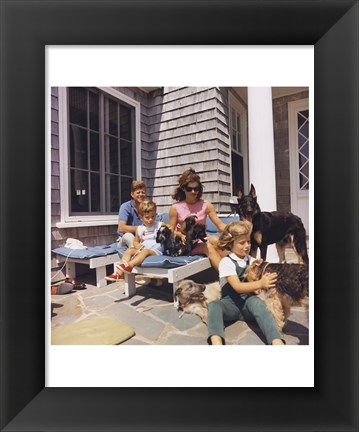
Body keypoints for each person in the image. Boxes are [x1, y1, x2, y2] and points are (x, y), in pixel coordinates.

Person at [207, 220, 285, 345]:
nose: (247, 246)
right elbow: (237, 287)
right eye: (242, 243)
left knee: (259, 304)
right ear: (230, 244)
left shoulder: (252, 260)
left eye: (248, 241)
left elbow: (265, 274)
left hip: (248, 303)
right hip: (230, 305)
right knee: (214, 306)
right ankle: (216, 341)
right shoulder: (226, 262)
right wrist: (260, 283)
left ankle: (276, 340)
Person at [168, 168, 227, 271]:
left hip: (202, 239)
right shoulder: (175, 208)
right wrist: (181, 235)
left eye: (196, 188)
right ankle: (228, 277)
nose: (193, 191)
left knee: (215, 240)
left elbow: (220, 225)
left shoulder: (206, 205)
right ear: (183, 189)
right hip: (186, 244)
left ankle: (233, 271)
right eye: (189, 189)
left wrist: (235, 232)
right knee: (207, 247)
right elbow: (170, 230)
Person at [105, 180, 147, 282]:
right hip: (124, 241)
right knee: (129, 236)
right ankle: (135, 271)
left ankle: (121, 273)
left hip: (140, 240)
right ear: (132, 194)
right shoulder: (126, 207)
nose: (141, 194)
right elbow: (122, 228)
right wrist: (141, 228)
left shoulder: (146, 206)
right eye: (138, 192)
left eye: (143, 192)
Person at [111, 200, 163, 279]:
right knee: (130, 250)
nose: (150, 220)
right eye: (147, 217)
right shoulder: (140, 229)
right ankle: (119, 273)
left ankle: (129, 266)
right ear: (141, 217)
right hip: (144, 249)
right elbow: (136, 240)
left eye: (153, 216)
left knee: (145, 251)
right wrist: (137, 245)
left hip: (155, 251)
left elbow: (170, 228)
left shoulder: (159, 225)